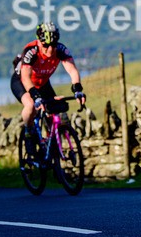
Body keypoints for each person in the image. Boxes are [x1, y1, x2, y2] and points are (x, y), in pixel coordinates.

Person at [11, 22, 86, 153]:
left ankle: (50, 146)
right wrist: (35, 96)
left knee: (53, 112)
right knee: (30, 106)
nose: (50, 50)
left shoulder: (61, 50)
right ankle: (28, 134)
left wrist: (78, 89)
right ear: (39, 42)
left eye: (53, 45)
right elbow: (26, 77)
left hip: (43, 83)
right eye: (46, 45)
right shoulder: (31, 51)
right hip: (22, 82)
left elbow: (72, 70)